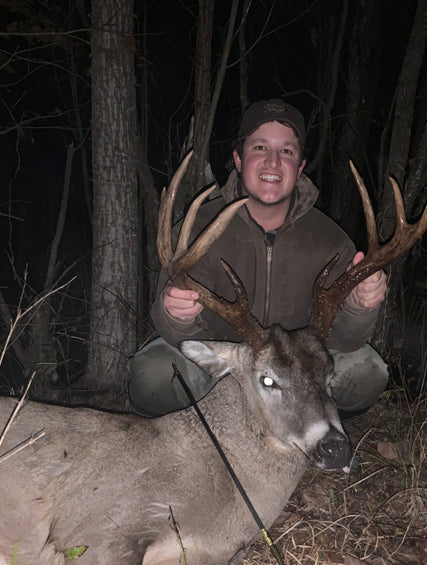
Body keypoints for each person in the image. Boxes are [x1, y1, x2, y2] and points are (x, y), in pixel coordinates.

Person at [127, 98, 388, 417]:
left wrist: (359, 307)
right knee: (152, 376)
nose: (273, 162)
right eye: (260, 148)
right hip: (222, 364)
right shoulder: (197, 229)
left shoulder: (330, 241)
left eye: (287, 151)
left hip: (295, 372)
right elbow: (173, 333)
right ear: (238, 158)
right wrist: (177, 317)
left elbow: (346, 342)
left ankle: (315, 429)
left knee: (366, 372)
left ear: (301, 166)